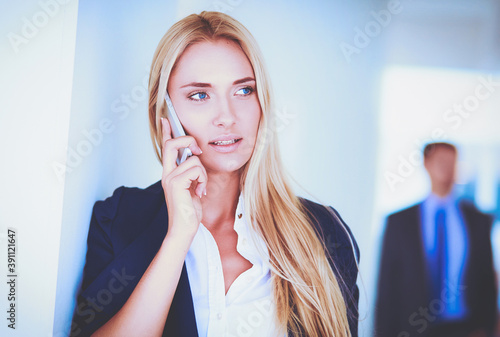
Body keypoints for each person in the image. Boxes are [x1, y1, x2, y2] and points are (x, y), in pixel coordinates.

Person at [71, 11, 359, 337]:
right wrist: (178, 237)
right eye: (200, 95)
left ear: (263, 101)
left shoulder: (324, 232)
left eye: (243, 91)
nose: (227, 117)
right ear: (165, 112)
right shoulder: (119, 219)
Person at [375, 142, 497, 337]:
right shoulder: (399, 222)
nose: (446, 168)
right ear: (426, 164)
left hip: (465, 328)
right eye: (440, 161)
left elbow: (486, 280)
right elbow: (387, 285)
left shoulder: (478, 221)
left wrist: (487, 328)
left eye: (451, 162)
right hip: (413, 328)